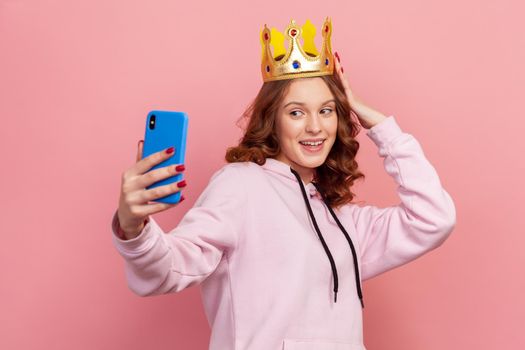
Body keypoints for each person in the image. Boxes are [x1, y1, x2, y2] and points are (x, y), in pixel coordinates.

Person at [111, 17, 456, 350]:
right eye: (296, 112)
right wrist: (133, 228)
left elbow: (433, 218)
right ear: (272, 121)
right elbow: (170, 268)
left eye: (326, 111)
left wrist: (380, 124)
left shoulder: (345, 221)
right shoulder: (241, 185)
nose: (315, 128)